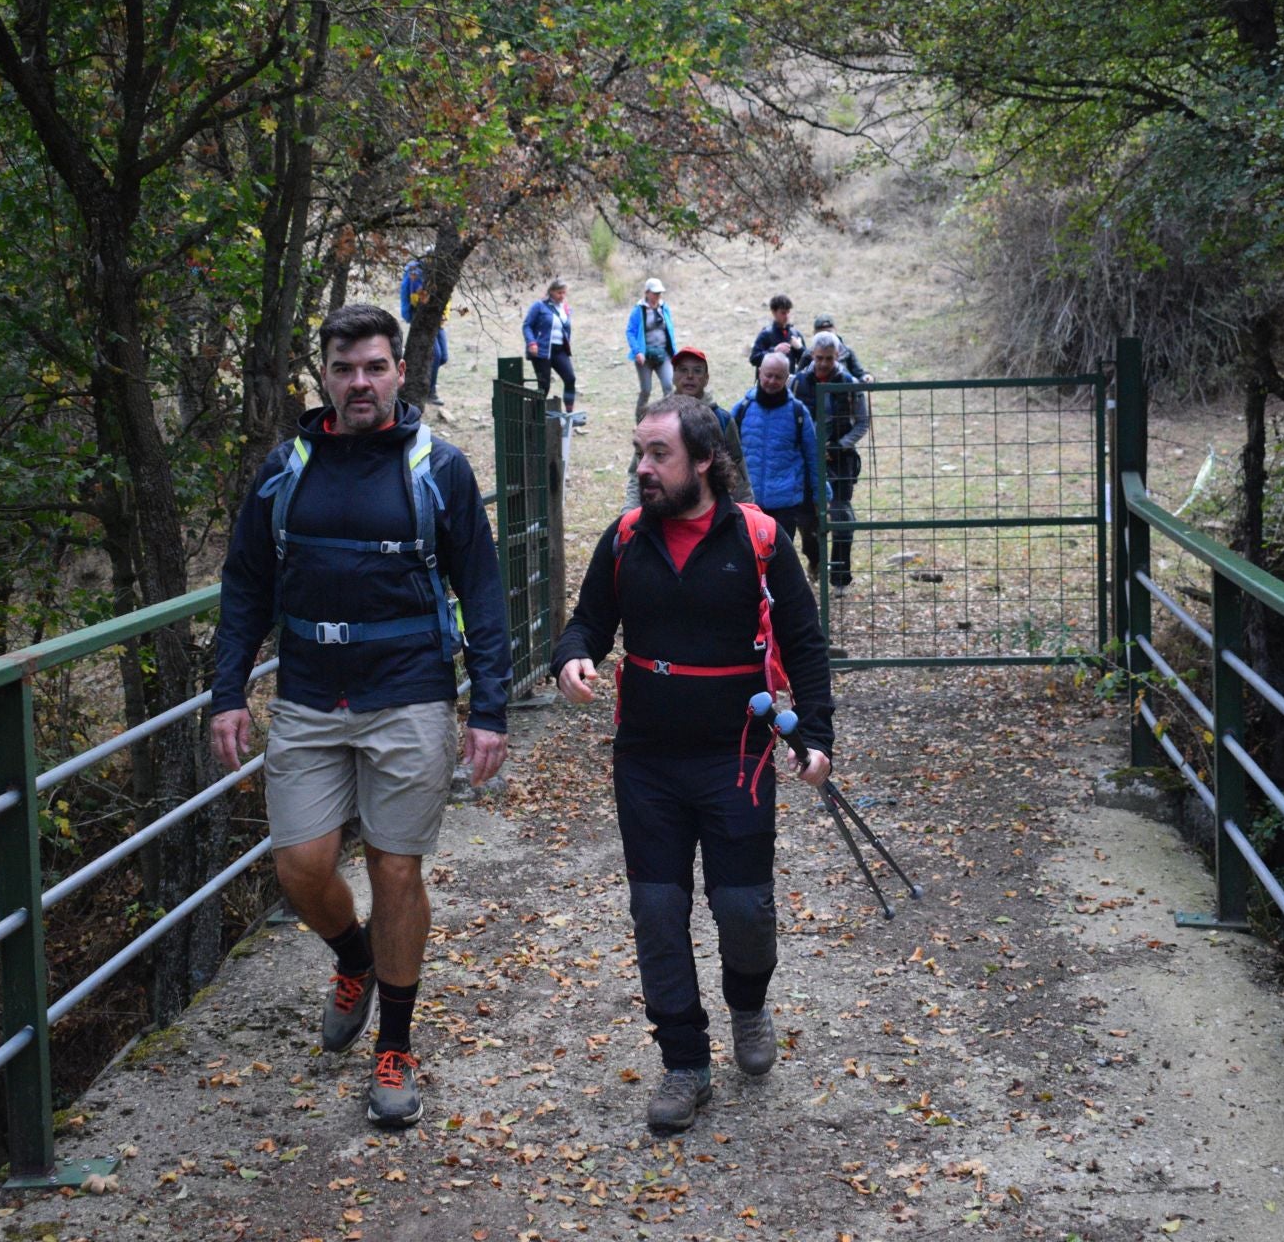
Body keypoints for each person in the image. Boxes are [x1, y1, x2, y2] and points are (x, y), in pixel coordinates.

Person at [210, 304, 511, 1130]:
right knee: (300, 867)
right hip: (310, 696)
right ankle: (355, 958)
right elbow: (245, 587)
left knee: (395, 870)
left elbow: (482, 592)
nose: (360, 383)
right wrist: (228, 692)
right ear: (325, 376)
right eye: (344, 370)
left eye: (375, 367)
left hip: (409, 695)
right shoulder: (286, 470)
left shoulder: (437, 468)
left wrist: (489, 706)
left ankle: (396, 1048)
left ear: (400, 372)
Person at [553, 394, 834, 1134]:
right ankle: (684, 1063)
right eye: (639, 452)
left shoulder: (760, 540)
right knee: (656, 910)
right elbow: (587, 621)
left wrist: (816, 736)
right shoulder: (624, 539)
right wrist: (573, 657)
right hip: (646, 760)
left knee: (743, 908)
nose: (644, 468)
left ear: (705, 460)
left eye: (660, 454)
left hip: (736, 756)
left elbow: (804, 644)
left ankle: (748, 1002)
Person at [621, 346, 753, 510]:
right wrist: (629, 511)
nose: (690, 376)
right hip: (663, 508)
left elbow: (737, 469)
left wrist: (747, 509)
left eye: (697, 371)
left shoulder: (722, 419)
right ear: (673, 375)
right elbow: (638, 471)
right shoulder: (656, 419)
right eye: (683, 370)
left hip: (709, 512)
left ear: (706, 378)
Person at [733, 352, 827, 579]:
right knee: (747, 558)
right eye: (768, 375)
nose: (772, 381)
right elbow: (726, 451)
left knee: (778, 561)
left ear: (787, 378)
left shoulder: (798, 412)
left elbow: (813, 456)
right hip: (748, 502)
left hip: (785, 503)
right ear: (759, 373)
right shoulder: (742, 408)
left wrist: (821, 495)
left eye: (778, 377)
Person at [790, 332, 870, 587]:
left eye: (829, 358)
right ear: (812, 355)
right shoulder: (797, 383)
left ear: (838, 356)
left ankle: (839, 577)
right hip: (805, 462)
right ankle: (815, 561)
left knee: (842, 519)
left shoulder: (850, 384)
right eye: (819, 358)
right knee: (807, 522)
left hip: (840, 461)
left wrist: (839, 446)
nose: (823, 363)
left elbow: (862, 422)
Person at [624, 277, 677, 420]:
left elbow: (670, 331)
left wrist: (674, 353)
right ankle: (640, 420)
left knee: (668, 386)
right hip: (644, 357)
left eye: (659, 293)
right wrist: (637, 351)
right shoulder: (639, 310)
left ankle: (668, 421)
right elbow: (630, 332)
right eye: (655, 293)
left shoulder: (664, 308)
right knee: (646, 390)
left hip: (663, 354)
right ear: (647, 293)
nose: (658, 296)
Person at [523, 279, 577, 414]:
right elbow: (527, 326)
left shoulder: (565, 309)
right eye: (559, 293)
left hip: (559, 350)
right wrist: (531, 342)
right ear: (551, 291)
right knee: (544, 385)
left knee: (570, 378)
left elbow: (566, 329)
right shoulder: (539, 306)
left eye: (564, 293)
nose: (562, 296)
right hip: (541, 350)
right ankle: (535, 415)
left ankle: (569, 413)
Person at [400, 256, 449, 405]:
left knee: (443, 357)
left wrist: (444, 314)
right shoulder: (416, 273)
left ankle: (424, 382)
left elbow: (447, 298)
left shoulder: (444, 273)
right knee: (436, 355)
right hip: (423, 319)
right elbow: (416, 299)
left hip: (438, 320)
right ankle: (429, 392)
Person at [795, 314, 872, 381]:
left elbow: (859, 374)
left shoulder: (847, 352)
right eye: (819, 358)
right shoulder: (808, 355)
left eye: (829, 332)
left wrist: (867, 377)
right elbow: (799, 379)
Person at [747, 295, 805, 380]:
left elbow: (806, 362)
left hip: (788, 383)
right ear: (774, 312)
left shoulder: (795, 334)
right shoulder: (765, 334)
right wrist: (774, 351)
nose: (787, 316)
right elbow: (754, 359)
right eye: (783, 313)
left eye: (788, 312)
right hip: (768, 383)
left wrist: (800, 349)